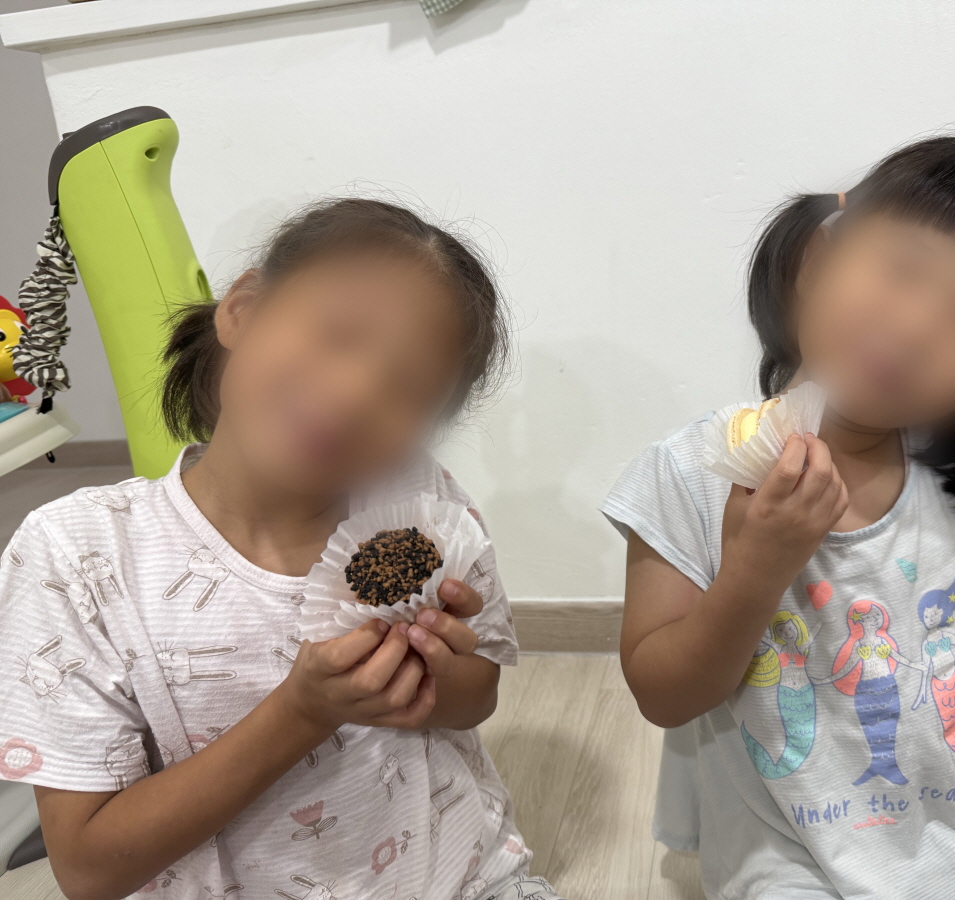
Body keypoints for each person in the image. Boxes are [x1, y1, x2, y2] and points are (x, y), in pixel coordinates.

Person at [603, 135, 955, 898]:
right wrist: (758, 568)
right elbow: (664, 693)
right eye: (904, 268)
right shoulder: (690, 473)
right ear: (818, 259)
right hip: (796, 840)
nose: (917, 327)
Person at [0, 198, 562, 900]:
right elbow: (90, 869)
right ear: (243, 309)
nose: (355, 392)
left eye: (409, 390)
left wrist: (434, 672)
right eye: (337, 334)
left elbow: (477, 696)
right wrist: (304, 712)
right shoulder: (77, 556)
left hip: (465, 880)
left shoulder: (420, 502)